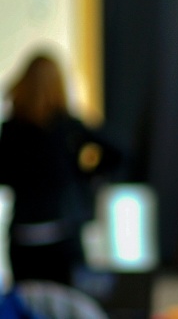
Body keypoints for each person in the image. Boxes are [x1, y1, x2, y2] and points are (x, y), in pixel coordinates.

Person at [0, 53, 121, 287]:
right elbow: (118, 151)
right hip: (62, 234)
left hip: (24, 236)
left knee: (28, 302)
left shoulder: (11, 131)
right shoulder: (67, 128)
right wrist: (87, 175)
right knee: (66, 301)